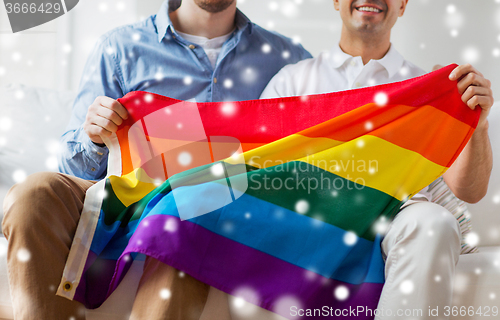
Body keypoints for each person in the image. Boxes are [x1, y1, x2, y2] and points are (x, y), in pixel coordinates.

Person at [1, 1, 311, 319]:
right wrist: (94, 137)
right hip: (124, 197)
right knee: (34, 193)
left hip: (220, 209)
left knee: (191, 204)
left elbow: (310, 159)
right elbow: (71, 169)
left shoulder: (289, 61)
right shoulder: (119, 47)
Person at [260, 0, 494, 319]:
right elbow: (258, 175)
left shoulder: (431, 89)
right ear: (336, 1)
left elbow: (471, 191)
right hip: (314, 221)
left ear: (403, 4)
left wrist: (477, 126)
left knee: (434, 223)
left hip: (399, 218)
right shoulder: (291, 84)